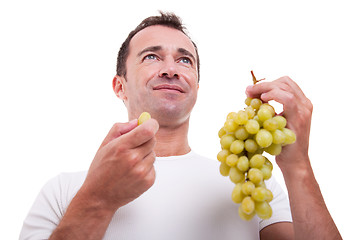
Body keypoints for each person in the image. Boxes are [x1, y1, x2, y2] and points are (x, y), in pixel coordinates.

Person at [19, 12, 342, 240]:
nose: (171, 69)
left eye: (184, 60)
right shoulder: (64, 190)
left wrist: (298, 165)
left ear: (197, 87)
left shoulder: (253, 184)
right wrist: (98, 200)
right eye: (151, 57)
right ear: (120, 86)